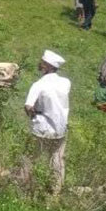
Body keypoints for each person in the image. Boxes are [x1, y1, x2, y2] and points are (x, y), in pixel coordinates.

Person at [23, 50, 71, 193]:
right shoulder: (66, 82)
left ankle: (25, 186)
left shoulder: (38, 84)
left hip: (42, 128)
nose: (40, 64)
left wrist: (33, 116)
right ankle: (55, 190)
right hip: (60, 128)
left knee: (30, 157)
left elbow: (28, 106)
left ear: (47, 67)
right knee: (57, 159)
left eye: (43, 62)